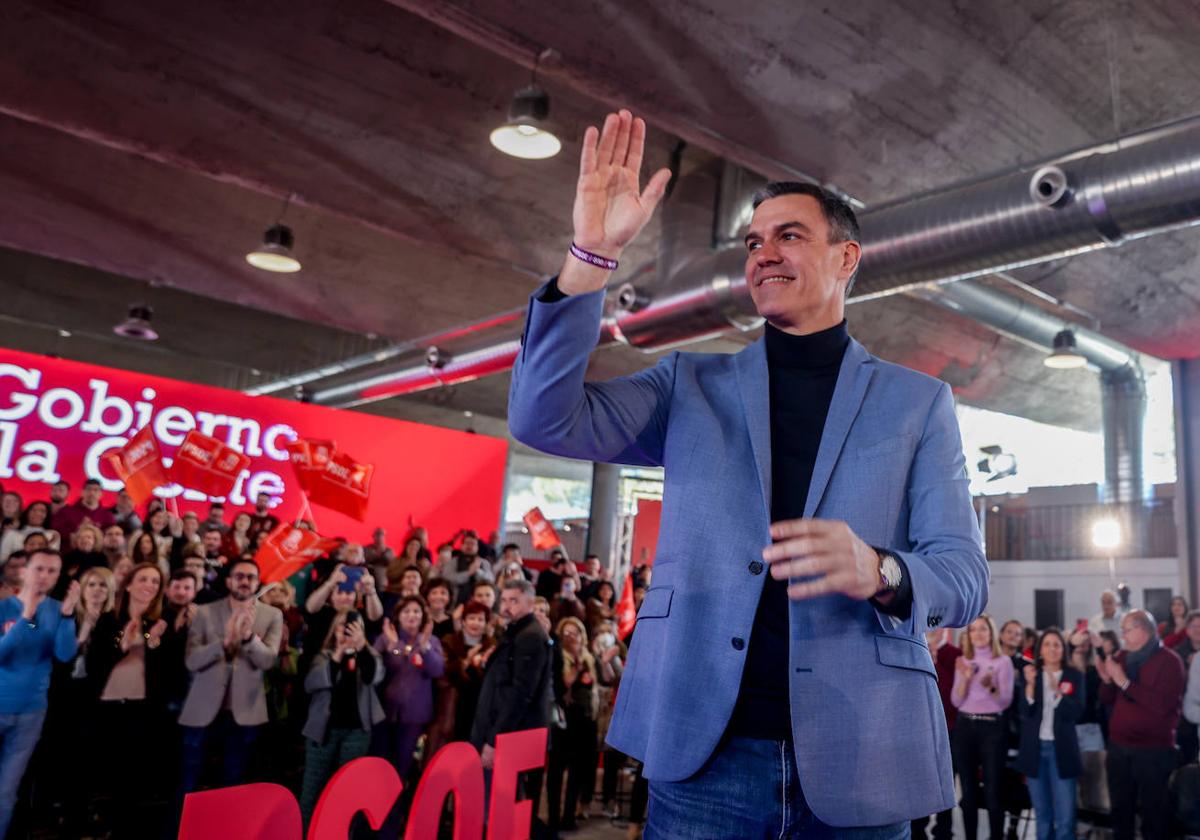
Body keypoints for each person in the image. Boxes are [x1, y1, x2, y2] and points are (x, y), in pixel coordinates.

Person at [507, 108, 988, 834]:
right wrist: (591, 257)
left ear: (846, 259)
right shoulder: (688, 387)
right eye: (753, 241)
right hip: (705, 755)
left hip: (859, 754)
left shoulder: (917, 402)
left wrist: (881, 569)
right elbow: (544, 420)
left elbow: (965, 576)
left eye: (789, 235)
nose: (763, 253)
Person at [178, 558, 283, 793]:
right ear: (228, 581)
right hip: (202, 710)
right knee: (189, 782)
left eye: (251, 577)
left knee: (232, 785)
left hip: (244, 713)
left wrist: (248, 639)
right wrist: (223, 645)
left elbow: (267, 660)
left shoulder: (272, 615)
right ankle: (180, 830)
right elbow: (192, 661)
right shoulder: (205, 612)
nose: (245, 582)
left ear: (257, 582)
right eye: (240, 576)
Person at [84, 562, 173, 837]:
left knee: (132, 778)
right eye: (144, 579)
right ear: (130, 584)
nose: (150, 585)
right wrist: (122, 646)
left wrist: (154, 644)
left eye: (155, 582)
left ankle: (124, 829)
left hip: (141, 708)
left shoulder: (157, 624)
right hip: (107, 707)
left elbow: (165, 675)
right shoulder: (109, 619)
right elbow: (94, 665)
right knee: (103, 772)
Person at [0, 549, 79, 838]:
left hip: (31, 712)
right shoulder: (4, 607)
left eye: (52, 571)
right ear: (24, 571)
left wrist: (68, 616)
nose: (44, 576)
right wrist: (27, 616)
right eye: (39, 569)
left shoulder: (58, 609)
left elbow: (64, 654)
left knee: (6, 793)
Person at [1097, 610, 1187, 840]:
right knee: (1120, 813)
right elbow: (1107, 700)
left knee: (1154, 815)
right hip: (1119, 748)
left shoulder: (1169, 661)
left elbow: (1163, 705)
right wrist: (1108, 682)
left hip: (1153, 751)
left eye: (1126, 630)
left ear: (1142, 630)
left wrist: (1124, 682)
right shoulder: (1122, 658)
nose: (1123, 635)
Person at [471, 580, 552, 812]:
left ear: (529, 602)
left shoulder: (529, 636)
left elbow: (520, 694)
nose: (506, 606)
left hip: (510, 739)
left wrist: (494, 740)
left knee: (501, 810)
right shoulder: (516, 632)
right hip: (504, 735)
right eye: (504, 600)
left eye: (513, 601)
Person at [298, 610, 383, 828]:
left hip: (356, 732)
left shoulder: (368, 655)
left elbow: (375, 675)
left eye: (353, 627)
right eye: (342, 626)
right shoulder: (323, 655)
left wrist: (361, 646)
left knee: (348, 790)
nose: (346, 631)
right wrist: (338, 654)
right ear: (333, 630)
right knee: (312, 790)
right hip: (323, 731)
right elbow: (312, 683)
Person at [546, 616, 616, 833]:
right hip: (563, 722)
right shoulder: (558, 656)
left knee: (578, 771)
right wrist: (576, 664)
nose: (570, 636)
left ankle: (569, 816)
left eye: (574, 632)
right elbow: (565, 682)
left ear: (582, 635)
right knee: (556, 772)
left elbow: (608, 679)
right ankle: (553, 818)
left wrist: (604, 662)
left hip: (586, 721)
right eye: (566, 633)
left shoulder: (590, 657)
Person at [1016, 628, 1084, 840]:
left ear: (1063, 650)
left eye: (1057, 644)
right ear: (1040, 650)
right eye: (1047, 644)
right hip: (1036, 751)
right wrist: (1028, 687)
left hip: (1061, 751)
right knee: (1042, 817)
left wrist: (1057, 693)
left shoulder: (1074, 676)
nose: (1052, 649)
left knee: (1065, 819)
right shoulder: (1032, 674)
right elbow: (1023, 713)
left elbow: (1077, 712)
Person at [951, 615, 1014, 840]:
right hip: (965, 727)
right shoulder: (963, 661)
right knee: (967, 793)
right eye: (973, 630)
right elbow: (956, 702)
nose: (978, 633)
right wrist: (966, 679)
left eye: (983, 629)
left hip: (992, 729)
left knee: (992, 792)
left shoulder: (1003, 662)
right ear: (968, 635)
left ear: (991, 633)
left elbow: (1004, 702)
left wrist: (992, 687)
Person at [374, 596, 445, 780]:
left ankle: (399, 804)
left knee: (403, 765)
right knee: (381, 763)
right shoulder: (385, 638)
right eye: (406, 611)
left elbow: (437, 670)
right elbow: (373, 671)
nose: (412, 615)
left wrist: (425, 648)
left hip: (414, 715)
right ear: (398, 616)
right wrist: (394, 646)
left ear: (423, 616)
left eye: (416, 611)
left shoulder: (431, 641)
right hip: (385, 712)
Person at [912, 627, 960, 840]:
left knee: (945, 782)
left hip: (949, 727)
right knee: (918, 781)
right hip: (919, 728)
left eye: (939, 625)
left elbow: (952, 691)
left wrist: (936, 663)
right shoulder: (914, 648)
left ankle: (944, 829)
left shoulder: (954, 654)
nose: (935, 629)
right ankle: (917, 828)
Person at [50, 477, 115, 539]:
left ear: (101, 494)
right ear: (81, 492)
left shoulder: (107, 515)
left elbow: (112, 535)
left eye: (96, 490)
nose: (92, 493)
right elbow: (55, 532)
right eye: (88, 489)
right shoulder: (66, 512)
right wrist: (78, 529)